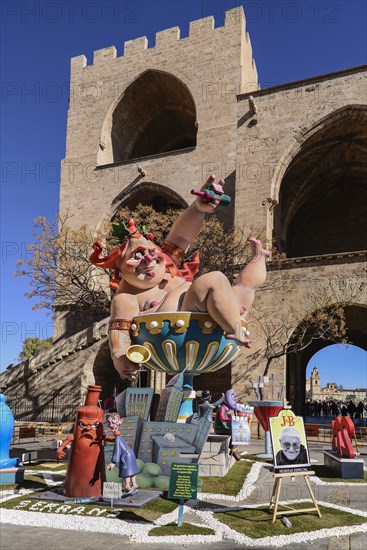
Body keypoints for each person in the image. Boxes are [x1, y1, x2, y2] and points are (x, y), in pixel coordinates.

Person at [90, 175, 271, 381]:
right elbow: (119, 333)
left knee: (244, 287)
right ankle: (233, 327)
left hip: (214, 318)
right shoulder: (126, 298)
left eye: (150, 252)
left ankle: (259, 258)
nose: (147, 259)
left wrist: (198, 208)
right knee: (215, 279)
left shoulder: (168, 266)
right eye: (136, 257)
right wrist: (120, 357)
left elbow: (182, 236)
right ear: (121, 271)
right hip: (175, 336)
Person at [106, 413, 139, 496]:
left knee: (126, 471)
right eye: (109, 423)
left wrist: (113, 462)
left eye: (113, 423)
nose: (111, 425)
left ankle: (129, 485)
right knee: (130, 470)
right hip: (130, 454)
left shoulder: (118, 439)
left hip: (126, 456)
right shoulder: (119, 438)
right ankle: (132, 484)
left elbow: (117, 450)